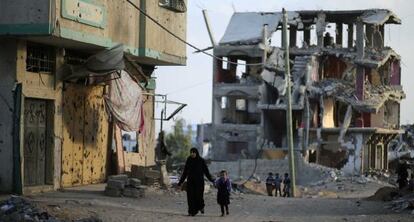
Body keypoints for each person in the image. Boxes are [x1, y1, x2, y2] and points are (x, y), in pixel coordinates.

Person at [178, 147, 215, 216]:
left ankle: (201, 207)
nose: (192, 154)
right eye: (191, 152)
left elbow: (206, 171)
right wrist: (180, 182)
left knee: (198, 197)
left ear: (196, 153)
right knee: (190, 197)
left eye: (193, 152)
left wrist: (211, 179)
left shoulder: (201, 161)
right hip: (190, 182)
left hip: (199, 182)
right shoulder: (189, 160)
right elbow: (185, 172)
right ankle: (191, 211)